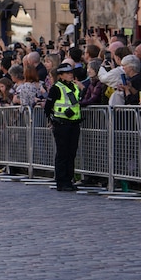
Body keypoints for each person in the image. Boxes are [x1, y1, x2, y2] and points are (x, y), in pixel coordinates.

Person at [44, 63, 83, 192]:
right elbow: (48, 106)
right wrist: (51, 120)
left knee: (71, 153)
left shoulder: (74, 87)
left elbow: (79, 101)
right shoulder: (56, 88)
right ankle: (61, 181)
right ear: (60, 76)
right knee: (62, 153)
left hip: (74, 123)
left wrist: (82, 89)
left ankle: (69, 179)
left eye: (71, 72)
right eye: (67, 73)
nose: (70, 75)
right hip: (61, 124)